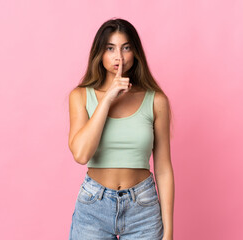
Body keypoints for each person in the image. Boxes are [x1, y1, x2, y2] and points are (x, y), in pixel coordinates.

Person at [68, 18, 174, 240]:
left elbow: (163, 168)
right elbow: (81, 154)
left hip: (142, 208)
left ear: (135, 53)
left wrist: (169, 232)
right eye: (110, 48)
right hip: (94, 207)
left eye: (126, 47)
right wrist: (107, 99)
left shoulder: (156, 101)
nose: (119, 56)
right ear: (100, 53)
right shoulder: (80, 96)